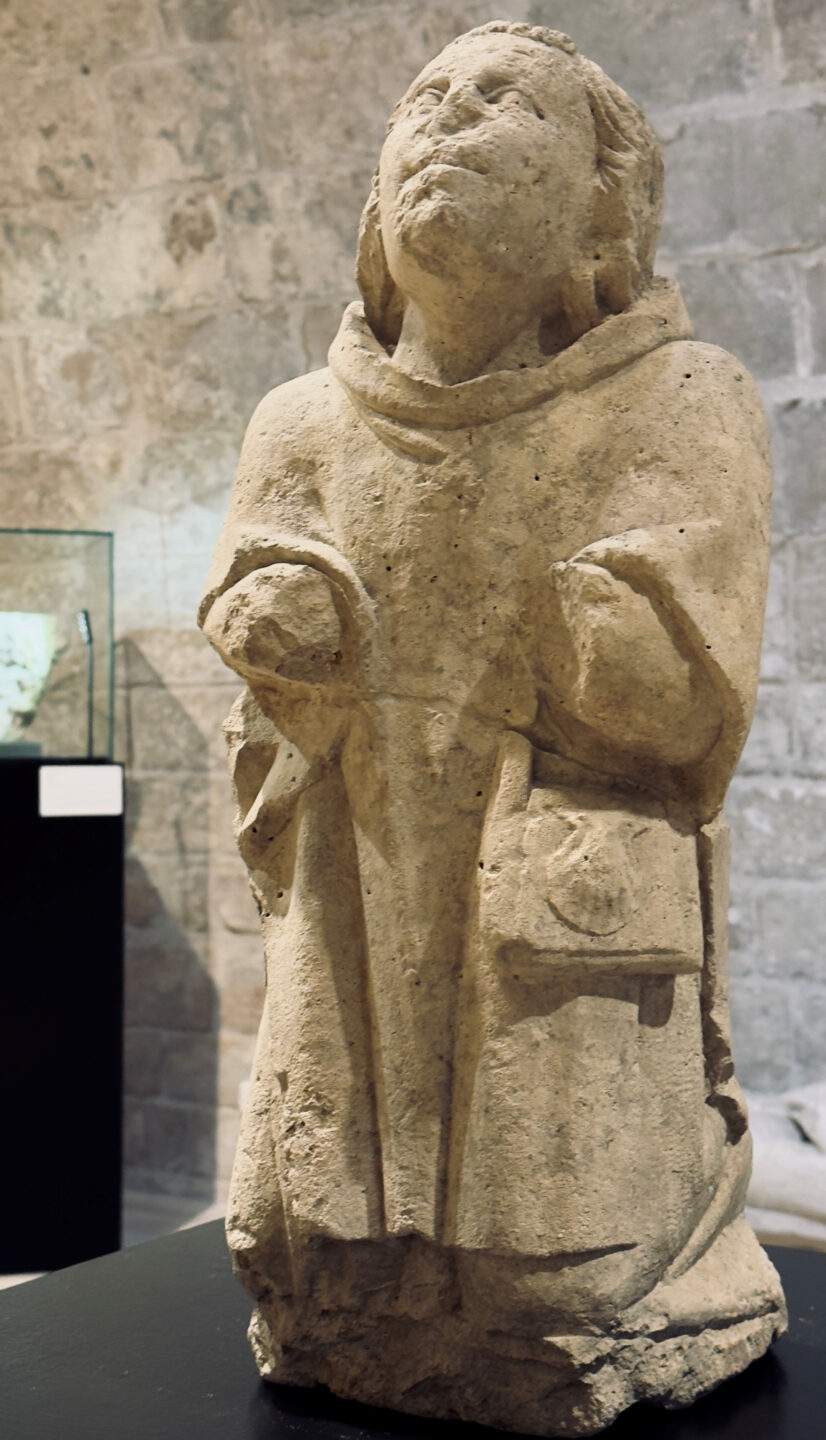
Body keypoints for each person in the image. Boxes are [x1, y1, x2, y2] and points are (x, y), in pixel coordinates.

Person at [200, 21, 784, 1431]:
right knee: (309, 1247)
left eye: (500, 101)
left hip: (544, 898)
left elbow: (671, 699)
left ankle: (627, 1267)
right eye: (425, 98)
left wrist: (548, 618)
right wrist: (278, 635)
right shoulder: (302, 424)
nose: (446, 118)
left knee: (553, 1279)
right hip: (362, 867)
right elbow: (254, 636)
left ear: (599, 201)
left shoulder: (678, 398)